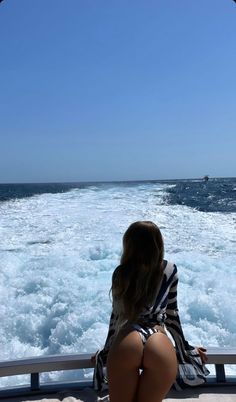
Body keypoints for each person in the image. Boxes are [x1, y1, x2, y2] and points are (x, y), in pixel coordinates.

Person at [93, 221, 209, 402]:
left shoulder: (121, 273)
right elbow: (172, 316)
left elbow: (116, 317)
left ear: (129, 245)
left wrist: (106, 351)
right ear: (158, 244)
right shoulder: (170, 269)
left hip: (128, 340)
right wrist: (185, 348)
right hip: (158, 342)